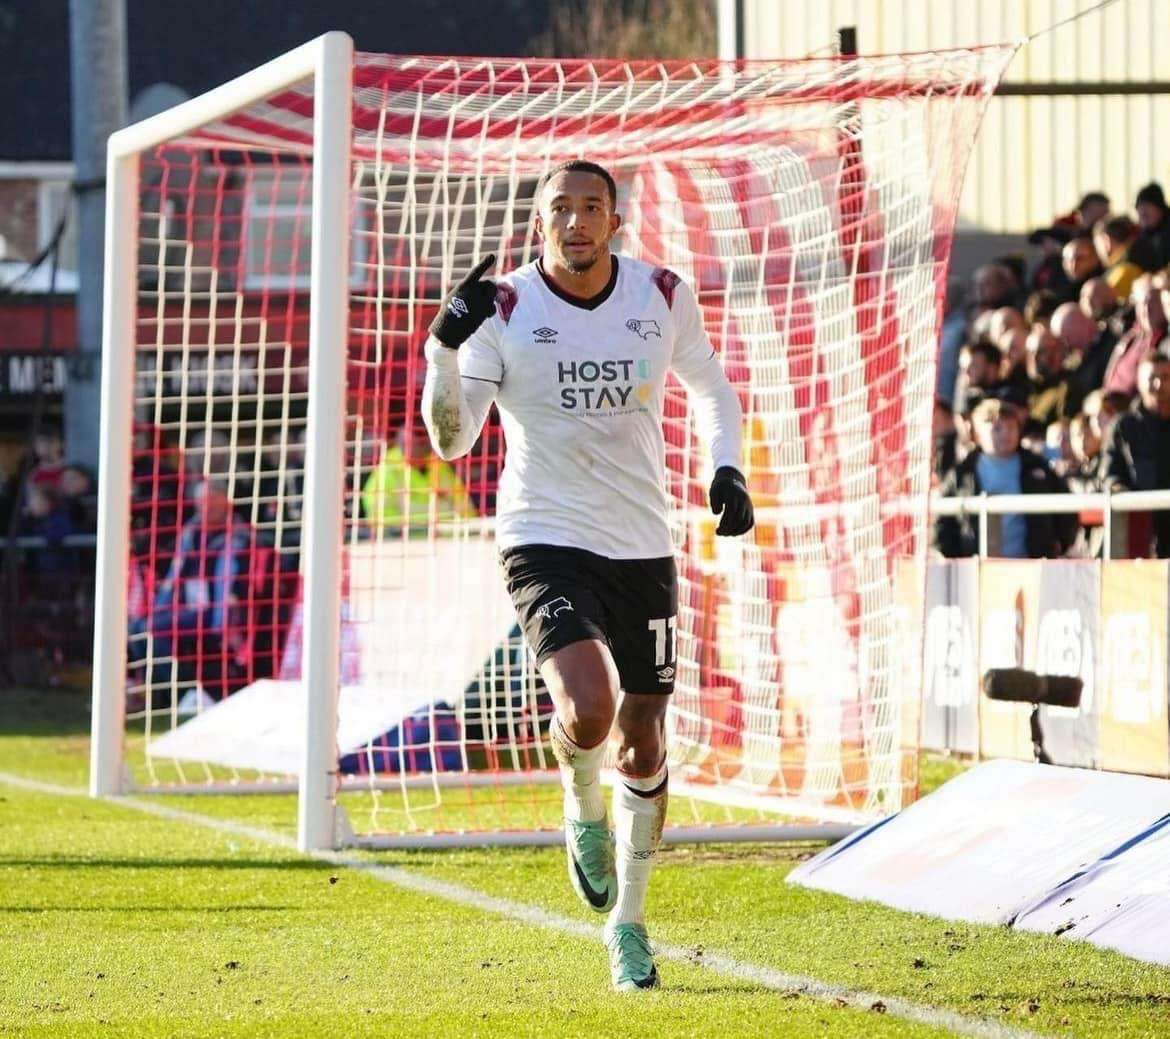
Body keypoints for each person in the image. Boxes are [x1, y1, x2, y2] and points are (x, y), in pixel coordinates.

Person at [421, 158, 753, 991]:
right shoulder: (502, 308)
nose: (576, 221)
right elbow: (452, 440)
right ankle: (579, 797)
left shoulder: (662, 294)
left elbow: (712, 388)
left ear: (615, 222)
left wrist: (727, 469)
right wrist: (439, 349)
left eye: (591, 208)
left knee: (644, 736)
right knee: (588, 706)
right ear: (539, 225)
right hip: (544, 534)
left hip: (642, 540)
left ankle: (629, 926)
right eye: (559, 209)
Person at [934, 398, 1075, 559]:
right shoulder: (963, 473)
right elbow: (943, 522)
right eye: (997, 428)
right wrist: (955, 557)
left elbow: (1066, 509)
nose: (1006, 434)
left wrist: (1058, 545)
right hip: (976, 569)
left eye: (1011, 427)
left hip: (1032, 565)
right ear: (978, 433)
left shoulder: (1036, 467)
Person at [1100, 351, 1170, 556]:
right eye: (1152, 379)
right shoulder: (1124, 427)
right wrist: (1117, 488)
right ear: (1139, 384)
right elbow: (1109, 474)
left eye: (1165, 377)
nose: (1159, 385)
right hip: (1142, 539)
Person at [361, 419, 476, 533]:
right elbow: (376, 514)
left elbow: (464, 505)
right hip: (406, 543)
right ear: (400, 442)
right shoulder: (388, 469)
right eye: (417, 435)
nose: (424, 439)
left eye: (426, 434)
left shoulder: (439, 465)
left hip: (446, 541)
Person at [1134, 182, 1170, 269]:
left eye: (1147, 207)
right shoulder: (1142, 235)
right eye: (1139, 208)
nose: (1143, 213)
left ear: (1160, 208)